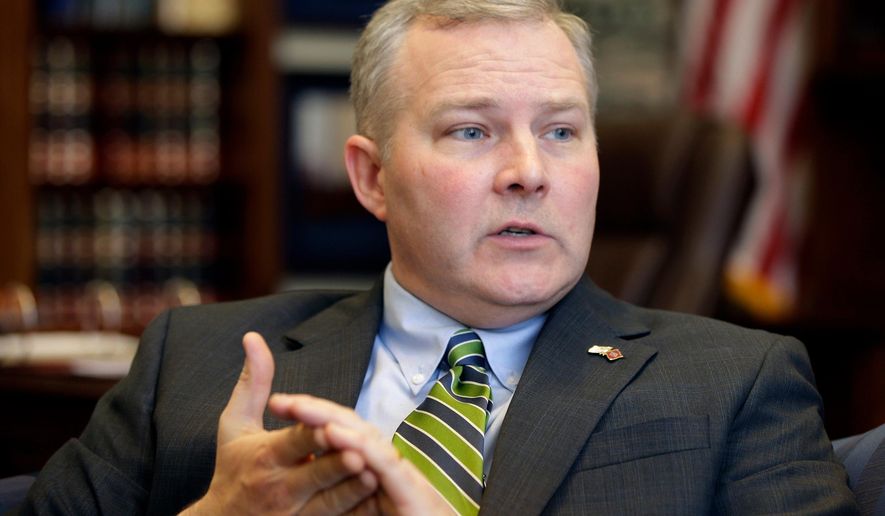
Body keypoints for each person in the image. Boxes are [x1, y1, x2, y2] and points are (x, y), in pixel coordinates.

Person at [20, 0, 857, 514]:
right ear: (372, 176)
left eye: (561, 131)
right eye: (472, 130)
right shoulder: (196, 363)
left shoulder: (733, 383)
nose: (529, 171)